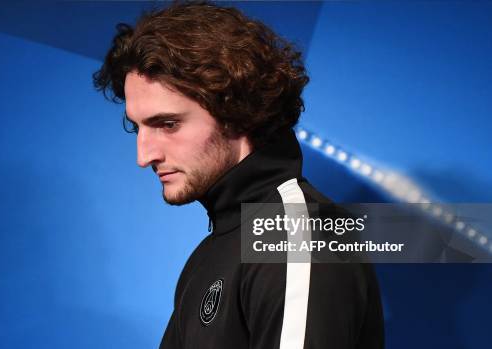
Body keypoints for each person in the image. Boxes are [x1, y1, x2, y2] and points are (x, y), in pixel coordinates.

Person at [93, 1, 384, 348]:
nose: (144, 155)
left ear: (237, 112)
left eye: (168, 124)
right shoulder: (217, 248)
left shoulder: (295, 236)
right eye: (136, 127)